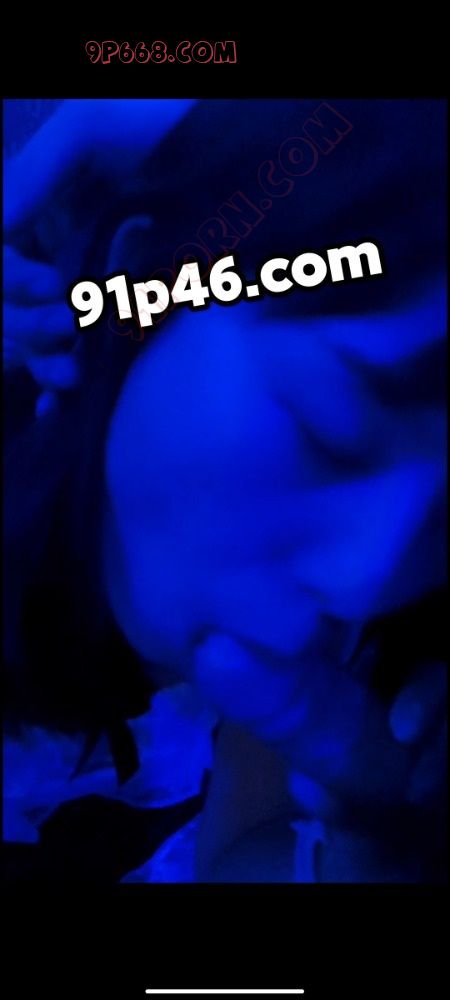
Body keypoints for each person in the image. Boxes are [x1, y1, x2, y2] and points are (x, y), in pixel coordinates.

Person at [3, 98, 447, 881]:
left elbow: (247, 845)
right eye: (329, 427)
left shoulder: (391, 651)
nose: (368, 580)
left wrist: (375, 848)